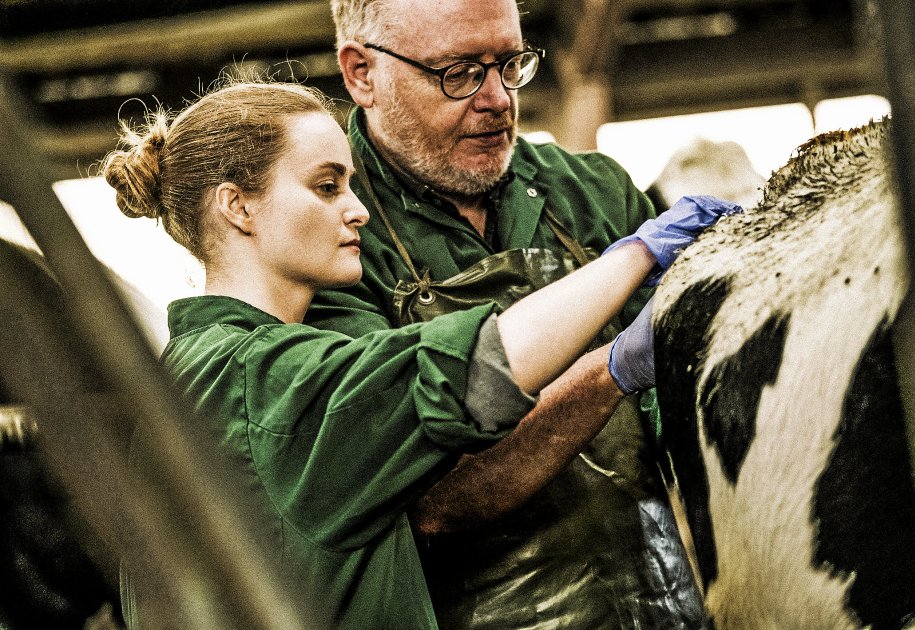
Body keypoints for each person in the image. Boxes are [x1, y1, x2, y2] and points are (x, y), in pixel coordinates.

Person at [100, 81, 734, 629]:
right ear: (237, 205)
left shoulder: (200, 369)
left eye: (350, 182)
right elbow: (470, 366)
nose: (357, 210)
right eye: (326, 186)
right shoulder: (259, 384)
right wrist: (638, 260)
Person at [306, 0, 736, 627]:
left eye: (509, 64)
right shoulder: (331, 244)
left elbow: (691, 428)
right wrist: (611, 370)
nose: (497, 99)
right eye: (458, 72)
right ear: (360, 74)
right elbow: (433, 500)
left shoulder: (588, 192)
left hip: (660, 610)